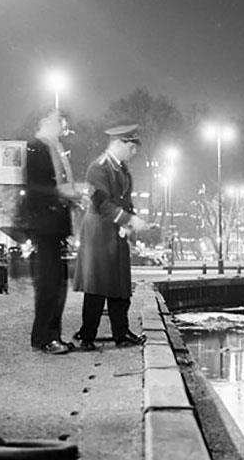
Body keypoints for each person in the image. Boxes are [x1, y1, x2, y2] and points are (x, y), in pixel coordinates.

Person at [72, 124, 149, 350]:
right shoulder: (98, 168)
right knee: (98, 286)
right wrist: (128, 220)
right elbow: (102, 203)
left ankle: (121, 333)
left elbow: (126, 201)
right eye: (131, 147)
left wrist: (132, 220)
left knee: (120, 285)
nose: (133, 153)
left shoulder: (121, 170)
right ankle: (87, 335)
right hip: (99, 232)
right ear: (118, 143)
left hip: (115, 231)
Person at [18, 109, 79, 355]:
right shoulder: (36, 149)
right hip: (44, 224)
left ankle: (50, 335)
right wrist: (62, 193)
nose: (62, 128)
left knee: (56, 283)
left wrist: (71, 197)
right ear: (45, 122)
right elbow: (34, 187)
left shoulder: (54, 148)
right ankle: (45, 337)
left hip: (54, 224)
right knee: (49, 283)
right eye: (58, 122)